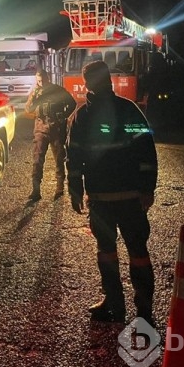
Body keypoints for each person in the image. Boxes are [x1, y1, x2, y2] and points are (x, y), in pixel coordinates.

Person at [66, 60, 158, 325]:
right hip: (117, 198)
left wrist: (75, 190)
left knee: (117, 250)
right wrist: (146, 187)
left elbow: (74, 157)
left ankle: (125, 305)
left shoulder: (84, 115)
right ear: (108, 80)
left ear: (87, 83)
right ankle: (134, 307)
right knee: (128, 250)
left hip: (110, 199)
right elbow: (146, 150)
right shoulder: (127, 110)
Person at [24, 68, 77, 201]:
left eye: (42, 80)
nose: (41, 83)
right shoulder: (35, 92)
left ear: (48, 78)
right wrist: (35, 98)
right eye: (38, 81)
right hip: (41, 128)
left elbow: (72, 103)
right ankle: (36, 190)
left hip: (56, 129)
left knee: (59, 159)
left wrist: (63, 117)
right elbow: (28, 109)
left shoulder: (58, 90)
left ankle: (59, 188)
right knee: (37, 160)